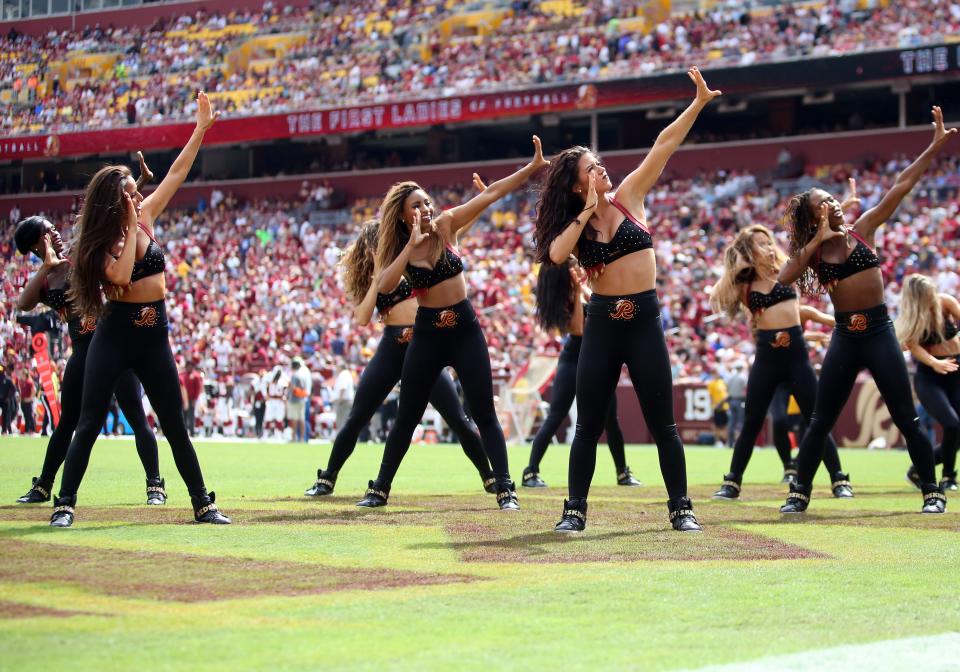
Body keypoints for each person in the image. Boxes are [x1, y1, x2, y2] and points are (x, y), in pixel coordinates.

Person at [533, 66, 720, 532]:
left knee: (664, 425)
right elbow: (555, 255)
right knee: (587, 426)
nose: (602, 170)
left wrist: (696, 104)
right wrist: (585, 216)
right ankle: (574, 511)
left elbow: (663, 146)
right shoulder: (577, 225)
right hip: (602, 325)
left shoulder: (629, 196)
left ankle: (681, 508)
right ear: (578, 185)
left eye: (599, 165)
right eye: (592, 169)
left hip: (644, 320)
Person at [49, 92, 230, 527]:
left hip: (154, 338)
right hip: (115, 338)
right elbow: (123, 275)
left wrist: (200, 130)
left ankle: (203, 503)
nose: (138, 196)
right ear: (115, 201)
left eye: (136, 192)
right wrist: (131, 227)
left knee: (174, 424)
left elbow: (178, 172)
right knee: (89, 421)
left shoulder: (145, 215)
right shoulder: (98, 245)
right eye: (129, 193)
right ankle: (64, 503)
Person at [778, 105, 956, 515]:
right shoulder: (814, 253)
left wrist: (933, 147)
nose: (836, 206)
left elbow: (902, 184)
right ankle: (799, 492)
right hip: (845, 335)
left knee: (906, 417)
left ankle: (932, 490)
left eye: (835, 200)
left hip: (878, 333)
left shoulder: (865, 229)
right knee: (820, 420)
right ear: (813, 217)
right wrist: (817, 238)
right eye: (826, 204)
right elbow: (785, 278)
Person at [357, 136, 549, 511]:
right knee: (407, 415)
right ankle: (380, 488)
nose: (426, 208)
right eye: (417, 205)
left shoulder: (446, 225)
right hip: (427, 334)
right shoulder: (398, 247)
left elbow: (491, 194)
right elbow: (385, 286)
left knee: (483, 412)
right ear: (402, 215)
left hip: (464, 330)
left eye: (427, 202)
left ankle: (506, 488)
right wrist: (410, 248)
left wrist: (530, 168)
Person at [304, 219, 495, 497]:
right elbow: (361, 317)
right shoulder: (376, 277)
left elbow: (451, 235)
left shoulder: (409, 261)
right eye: (376, 244)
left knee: (458, 419)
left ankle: (489, 477)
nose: (382, 247)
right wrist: (375, 277)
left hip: (424, 346)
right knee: (358, 416)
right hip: (392, 348)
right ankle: (328, 477)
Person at [12, 212, 165, 506]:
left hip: (114, 343)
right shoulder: (46, 278)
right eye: (47, 232)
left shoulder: (82, 253)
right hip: (83, 349)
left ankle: (155, 485)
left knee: (135, 414)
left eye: (54, 228)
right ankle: (43, 486)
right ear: (35, 245)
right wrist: (45, 267)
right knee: (69, 420)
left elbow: (114, 222)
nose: (55, 234)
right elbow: (23, 303)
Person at [708, 224, 852, 500]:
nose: (768, 247)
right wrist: (739, 261)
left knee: (816, 419)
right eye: (759, 244)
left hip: (797, 357)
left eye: (768, 241)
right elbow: (716, 296)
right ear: (748, 251)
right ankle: (733, 481)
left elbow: (805, 262)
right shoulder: (743, 283)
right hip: (766, 358)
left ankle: (838, 478)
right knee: (752, 421)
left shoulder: (787, 269)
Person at [521, 258, 641, 488]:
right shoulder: (560, 298)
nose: (578, 268)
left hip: (598, 359)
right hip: (574, 358)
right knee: (556, 415)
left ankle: (622, 472)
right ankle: (531, 472)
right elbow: (578, 330)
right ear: (564, 274)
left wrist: (584, 288)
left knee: (610, 421)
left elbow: (599, 303)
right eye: (574, 266)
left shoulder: (582, 288)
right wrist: (576, 293)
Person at [896, 275, 960, 492]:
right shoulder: (913, 317)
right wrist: (935, 362)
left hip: (956, 370)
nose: (932, 298)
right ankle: (949, 477)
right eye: (927, 296)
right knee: (951, 424)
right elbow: (913, 346)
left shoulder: (946, 302)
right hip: (930, 376)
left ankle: (918, 469)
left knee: (957, 430)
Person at [288, 356, 313, 442]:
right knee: (302, 419)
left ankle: (294, 438)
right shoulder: (304, 372)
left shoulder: (295, 375)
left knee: (295, 419)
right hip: (303, 399)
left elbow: (294, 388)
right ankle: (303, 439)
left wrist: (289, 386)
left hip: (296, 400)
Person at [725, 363, 747, 446]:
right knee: (741, 422)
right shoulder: (743, 377)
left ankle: (730, 442)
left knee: (731, 422)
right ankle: (741, 443)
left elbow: (727, 389)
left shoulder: (731, 377)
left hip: (731, 400)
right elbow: (745, 389)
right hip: (740, 400)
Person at [17, 367, 35, 434]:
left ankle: (32, 430)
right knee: (25, 416)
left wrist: (30, 398)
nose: (21, 375)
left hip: (28, 401)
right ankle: (27, 430)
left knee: (30, 415)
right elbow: (21, 391)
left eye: (22, 374)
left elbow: (33, 391)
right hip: (23, 401)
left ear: (25, 374)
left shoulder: (29, 382)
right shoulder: (22, 382)